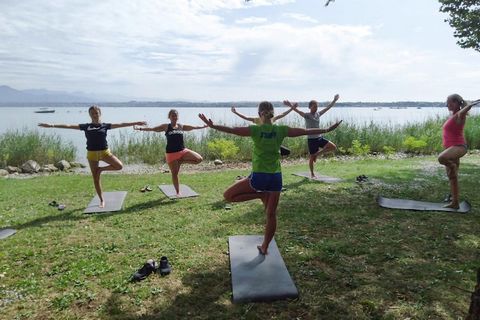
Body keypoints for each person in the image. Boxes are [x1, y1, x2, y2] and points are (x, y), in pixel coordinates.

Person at [199, 102, 342, 254]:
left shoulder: (255, 129)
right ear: (272, 113)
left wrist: (213, 126)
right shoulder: (281, 129)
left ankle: (260, 194)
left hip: (259, 176)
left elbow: (233, 130)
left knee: (228, 196)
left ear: (260, 113)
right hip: (276, 177)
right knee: (271, 214)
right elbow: (305, 131)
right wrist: (326, 129)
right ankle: (265, 246)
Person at [38, 105, 146, 208]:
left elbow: (121, 124)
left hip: (105, 153)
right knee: (96, 179)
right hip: (92, 154)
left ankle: (100, 169)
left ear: (100, 113)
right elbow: (69, 126)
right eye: (92, 113)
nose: (95, 114)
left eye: (96, 112)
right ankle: (102, 200)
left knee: (119, 166)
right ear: (90, 115)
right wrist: (51, 125)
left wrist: (136, 122)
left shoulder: (105, 125)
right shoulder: (86, 126)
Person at [135, 109, 206, 196]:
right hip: (171, 154)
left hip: (182, 151)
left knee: (199, 159)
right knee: (175, 174)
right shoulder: (166, 126)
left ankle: (181, 161)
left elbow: (193, 127)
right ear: (169, 117)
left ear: (178, 117)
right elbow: (153, 129)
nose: (174, 117)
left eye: (176, 115)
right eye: (173, 115)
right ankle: (178, 192)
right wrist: (140, 128)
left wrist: (204, 126)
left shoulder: (180, 126)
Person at [438, 94, 477, 209]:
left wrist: (469, 106)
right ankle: (455, 202)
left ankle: (452, 166)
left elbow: (461, 112)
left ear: (456, 103)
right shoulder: (452, 115)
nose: (447, 104)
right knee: (452, 177)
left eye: (449, 102)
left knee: (442, 158)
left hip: (459, 147)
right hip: (451, 148)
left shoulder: (460, 115)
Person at [286, 94, 340, 177]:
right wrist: (290, 105)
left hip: (319, 137)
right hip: (311, 140)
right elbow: (298, 111)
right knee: (311, 158)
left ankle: (317, 154)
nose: (316, 108)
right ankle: (312, 173)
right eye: (314, 106)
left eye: (317, 106)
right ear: (310, 107)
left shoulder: (318, 114)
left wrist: (334, 100)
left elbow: (327, 108)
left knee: (333, 147)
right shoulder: (307, 115)